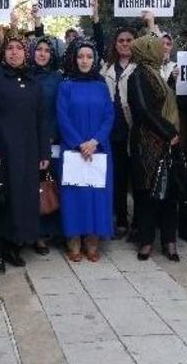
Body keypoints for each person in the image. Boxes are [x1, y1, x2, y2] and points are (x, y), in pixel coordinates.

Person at [0, 36, 50, 274]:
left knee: (21, 200)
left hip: (27, 151)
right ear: (4, 52)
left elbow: (41, 119)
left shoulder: (33, 82)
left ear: (26, 53)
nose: (14, 52)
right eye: (10, 48)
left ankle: (12, 246)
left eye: (19, 49)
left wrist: (43, 152)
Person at [56, 39, 115, 261]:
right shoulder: (65, 85)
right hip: (74, 150)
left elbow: (109, 115)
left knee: (96, 194)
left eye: (89, 57)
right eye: (80, 56)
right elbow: (62, 117)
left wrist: (95, 141)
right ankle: (73, 239)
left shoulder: (101, 86)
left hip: (98, 150)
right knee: (75, 194)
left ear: (95, 59)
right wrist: (79, 143)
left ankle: (93, 239)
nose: (84, 61)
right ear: (74, 58)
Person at [128, 35, 182, 261]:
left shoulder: (156, 74)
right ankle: (146, 241)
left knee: (169, 192)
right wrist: (169, 133)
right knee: (148, 192)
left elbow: (162, 103)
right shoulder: (138, 75)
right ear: (147, 50)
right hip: (147, 143)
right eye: (158, 48)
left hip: (168, 142)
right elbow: (143, 110)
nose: (163, 51)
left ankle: (170, 241)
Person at [101, 27, 138, 239]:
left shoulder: (140, 67)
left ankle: (138, 222)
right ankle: (121, 219)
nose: (125, 43)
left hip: (133, 129)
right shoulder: (106, 68)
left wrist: (151, 24)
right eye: (121, 40)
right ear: (115, 44)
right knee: (118, 177)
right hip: (112, 131)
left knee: (137, 177)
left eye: (129, 40)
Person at [30, 36, 63, 254]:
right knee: (33, 187)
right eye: (38, 49)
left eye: (47, 50)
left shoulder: (58, 79)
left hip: (52, 140)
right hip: (28, 140)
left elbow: (61, 110)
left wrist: (53, 135)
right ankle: (36, 233)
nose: (42, 54)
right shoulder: (25, 76)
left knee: (50, 184)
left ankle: (52, 230)